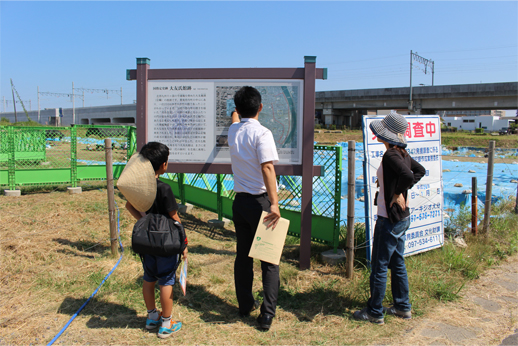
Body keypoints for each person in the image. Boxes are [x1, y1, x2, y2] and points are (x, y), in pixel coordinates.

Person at [353, 111, 425, 325]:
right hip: (402, 218)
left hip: (389, 218)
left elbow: (409, 175)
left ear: (387, 135)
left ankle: (374, 311)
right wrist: (400, 190)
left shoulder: (391, 155)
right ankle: (403, 306)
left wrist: (397, 193)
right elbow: (419, 171)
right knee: (397, 262)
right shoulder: (402, 153)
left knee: (379, 265)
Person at [228, 86, 281, 331]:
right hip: (261, 202)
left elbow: (237, 119)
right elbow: (268, 168)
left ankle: (244, 305)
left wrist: (236, 115)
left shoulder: (233, 131)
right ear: (260, 107)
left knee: (243, 256)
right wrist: (275, 204)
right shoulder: (263, 133)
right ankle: (267, 315)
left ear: (237, 109)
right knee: (269, 260)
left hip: (240, 202)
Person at [125, 142, 188, 338]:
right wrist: (184, 241)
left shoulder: (140, 187)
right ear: (163, 164)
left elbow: (128, 205)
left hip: (146, 242)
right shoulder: (164, 189)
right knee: (167, 281)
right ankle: (166, 324)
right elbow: (174, 218)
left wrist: (145, 222)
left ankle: (152, 317)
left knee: (149, 278)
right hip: (166, 242)